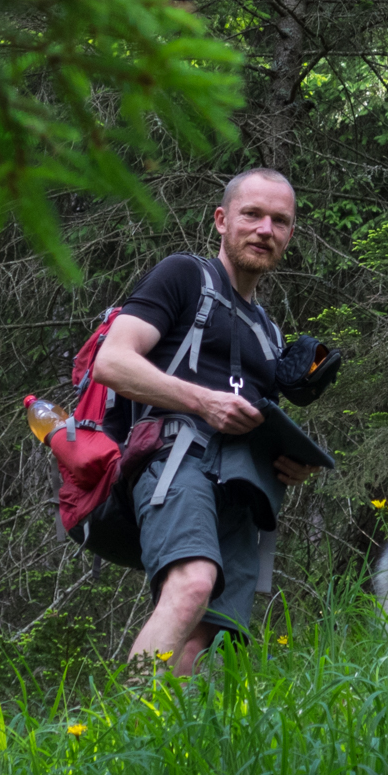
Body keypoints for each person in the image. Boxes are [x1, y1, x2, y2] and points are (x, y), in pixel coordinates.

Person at [92, 169, 322, 675]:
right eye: (252, 215)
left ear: (289, 235)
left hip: (242, 488)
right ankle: (124, 727)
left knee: (210, 633)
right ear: (221, 220)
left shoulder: (269, 330)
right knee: (193, 584)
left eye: (279, 221)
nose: (265, 229)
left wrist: (289, 461)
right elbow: (112, 362)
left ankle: (164, 741)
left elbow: (253, 417)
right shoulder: (184, 276)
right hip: (176, 458)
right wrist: (202, 402)